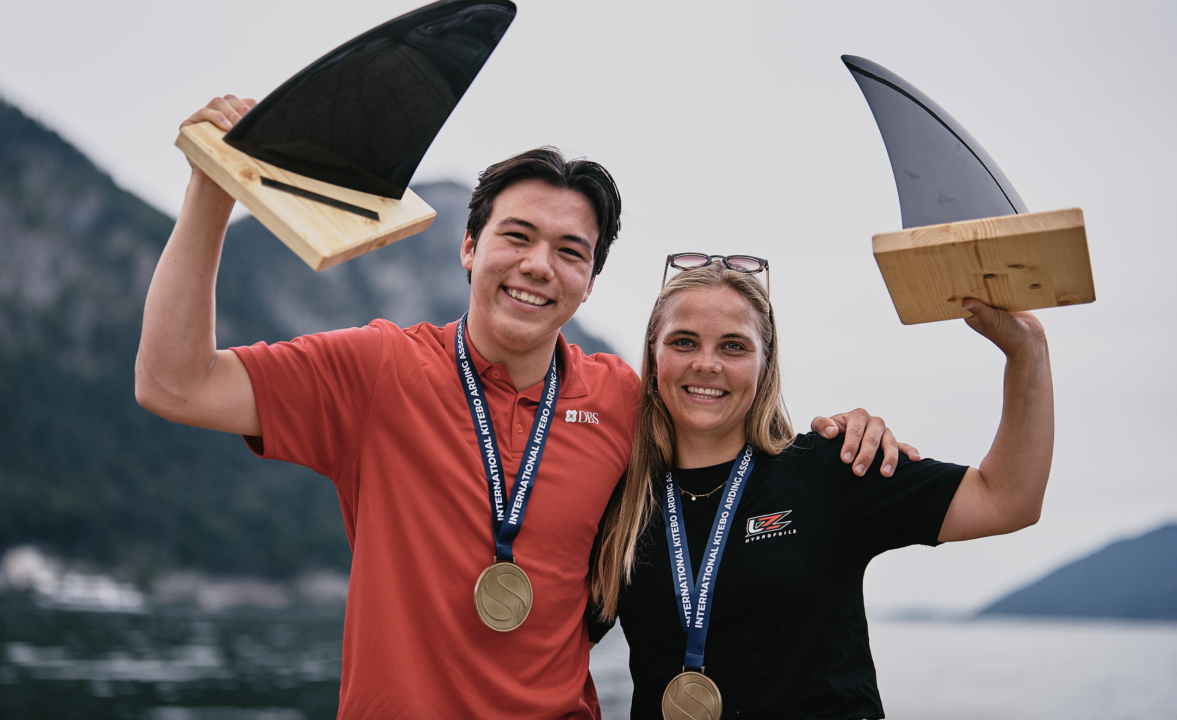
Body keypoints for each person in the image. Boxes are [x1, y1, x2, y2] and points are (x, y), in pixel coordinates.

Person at [136, 96, 911, 718]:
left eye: (570, 251)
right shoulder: (377, 368)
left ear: (589, 282)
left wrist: (846, 432)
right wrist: (211, 189)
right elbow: (173, 384)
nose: (539, 266)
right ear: (469, 247)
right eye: (516, 236)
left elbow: (737, 430)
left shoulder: (621, 397)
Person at [589, 256, 1053, 719]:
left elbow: (1007, 499)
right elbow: (547, 642)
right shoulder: (620, 502)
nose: (707, 364)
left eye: (734, 346)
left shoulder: (832, 469)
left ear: (765, 363)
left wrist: (1027, 351)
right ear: (654, 353)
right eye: (684, 342)